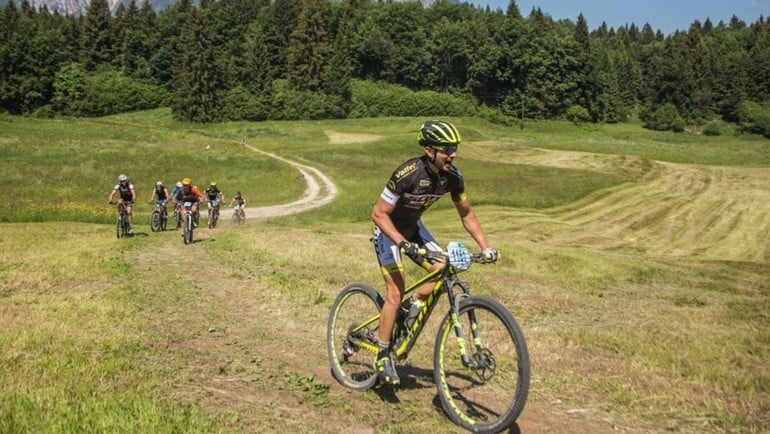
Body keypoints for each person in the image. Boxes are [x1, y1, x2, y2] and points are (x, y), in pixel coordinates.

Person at [370, 120, 499, 386]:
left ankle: (411, 308)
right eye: (447, 148)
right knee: (395, 290)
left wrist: (485, 247)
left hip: (414, 228)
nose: (453, 154)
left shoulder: (453, 177)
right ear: (430, 150)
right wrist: (401, 243)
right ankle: (382, 353)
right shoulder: (408, 173)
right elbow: (378, 213)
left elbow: (467, 213)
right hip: (388, 230)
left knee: (443, 268)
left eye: (455, 148)